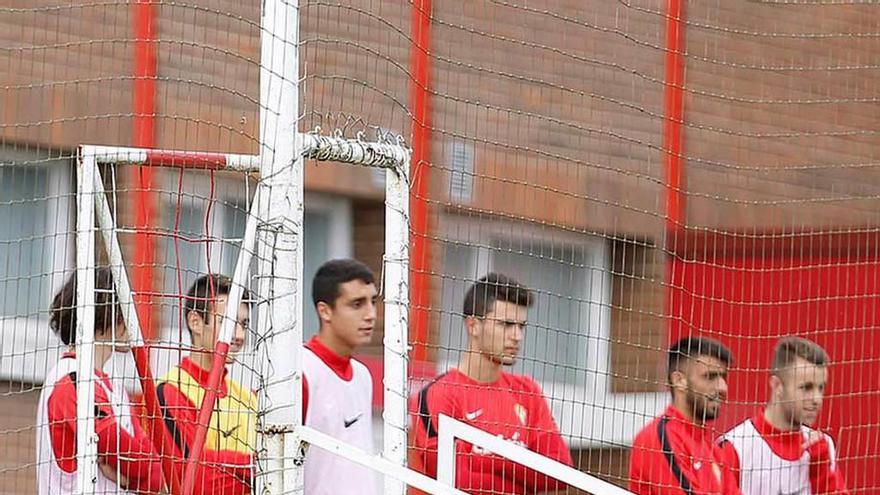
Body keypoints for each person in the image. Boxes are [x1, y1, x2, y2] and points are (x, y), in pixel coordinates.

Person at [411, 273, 573, 495]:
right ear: (473, 326)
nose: (517, 336)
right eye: (506, 324)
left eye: (521, 326)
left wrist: (488, 461)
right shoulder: (437, 394)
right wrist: (526, 470)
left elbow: (561, 472)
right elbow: (456, 479)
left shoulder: (527, 391)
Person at [37, 267, 163, 494]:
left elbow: (155, 472)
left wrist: (129, 480)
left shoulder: (114, 386)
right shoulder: (71, 380)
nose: (134, 319)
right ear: (106, 315)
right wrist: (135, 469)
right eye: (126, 309)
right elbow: (135, 459)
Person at [157, 274, 256, 495]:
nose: (239, 335)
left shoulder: (249, 397)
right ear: (195, 322)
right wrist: (254, 467)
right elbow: (194, 479)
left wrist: (218, 460)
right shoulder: (171, 390)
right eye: (228, 322)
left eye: (244, 324)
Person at [718, 337, 849, 495]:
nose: (816, 399)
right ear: (777, 386)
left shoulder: (823, 446)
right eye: (806, 387)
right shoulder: (734, 447)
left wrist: (821, 473)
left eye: (821, 388)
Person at [301, 259, 380, 495]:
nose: (371, 315)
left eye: (373, 302)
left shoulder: (363, 376)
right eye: (357, 304)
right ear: (325, 311)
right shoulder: (300, 371)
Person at [629, 336, 741, 495]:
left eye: (723, 377)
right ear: (679, 380)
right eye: (710, 376)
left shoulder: (712, 448)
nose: (723, 387)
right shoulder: (658, 438)